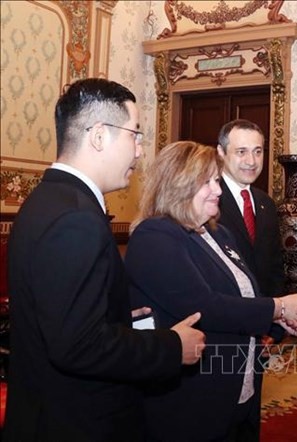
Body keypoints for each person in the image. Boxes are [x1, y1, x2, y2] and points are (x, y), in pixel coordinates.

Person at [5, 78, 206, 441]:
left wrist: (117, 316)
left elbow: (58, 312)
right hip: (77, 421)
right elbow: (78, 345)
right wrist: (172, 346)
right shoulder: (76, 219)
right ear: (99, 136)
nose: (140, 152)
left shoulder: (47, 201)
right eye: (136, 135)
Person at [124, 141, 297, 442]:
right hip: (193, 397)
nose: (218, 190)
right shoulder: (155, 235)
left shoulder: (218, 232)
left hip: (240, 384)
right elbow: (205, 307)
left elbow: (244, 297)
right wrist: (279, 308)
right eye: (207, 182)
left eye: (216, 180)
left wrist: (281, 321)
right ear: (178, 184)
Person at [216, 119, 285, 298]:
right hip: (226, 311)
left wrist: (278, 310)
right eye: (241, 152)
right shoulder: (208, 200)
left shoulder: (266, 203)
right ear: (221, 152)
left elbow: (275, 265)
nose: (252, 161)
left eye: (258, 151)